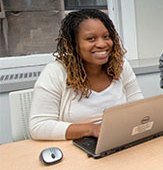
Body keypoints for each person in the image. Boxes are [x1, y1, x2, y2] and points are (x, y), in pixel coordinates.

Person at [29, 9, 143, 141]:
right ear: (73, 44)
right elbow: (39, 127)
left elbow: (138, 107)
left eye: (106, 37)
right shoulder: (55, 73)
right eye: (91, 38)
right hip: (77, 147)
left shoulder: (121, 66)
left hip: (119, 140)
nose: (102, 44)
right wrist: (93, 129)